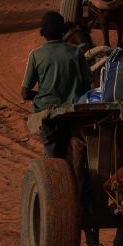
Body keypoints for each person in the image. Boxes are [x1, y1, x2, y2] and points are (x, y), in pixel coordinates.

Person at [21, 11, 89, 158]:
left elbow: (25, 93)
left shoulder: (36, 55)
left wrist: (42, 95)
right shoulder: (76, 52)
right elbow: (87, 83)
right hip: (74, 112)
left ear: (42, 33)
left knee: (53, 155)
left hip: (48, 114)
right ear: (63, 31)